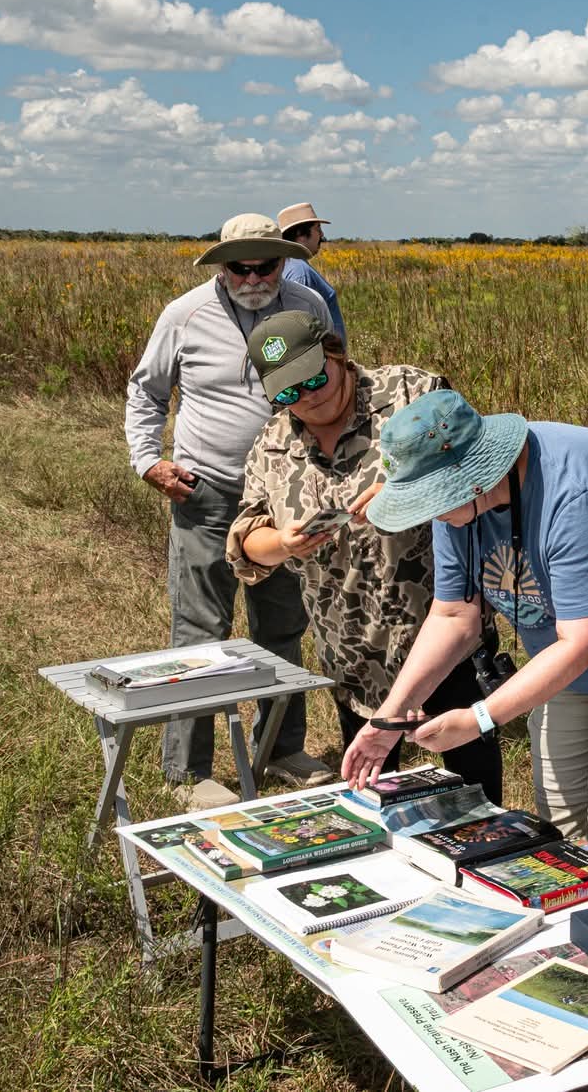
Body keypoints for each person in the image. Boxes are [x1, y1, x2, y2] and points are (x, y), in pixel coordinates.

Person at [341, 389, 588, 897]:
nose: (430, 516)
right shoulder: (457, 507)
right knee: (559, 810)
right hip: (564, 646)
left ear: (476, 477)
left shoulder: (579, 487)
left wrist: (481, 718)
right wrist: (388, 719)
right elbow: (454, 615)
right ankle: (576, 943)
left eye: (433, 502)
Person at [224, 311, 503, 803]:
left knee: (475, 791)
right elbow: (245, 541)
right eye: (288, 391)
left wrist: (405, 490)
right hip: (352, 650)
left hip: (441, 635)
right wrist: (283, 543)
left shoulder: (411, 392)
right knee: (372, 800)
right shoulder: (272, 443)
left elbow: (476, 471)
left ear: (336, 353)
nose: (307, 397)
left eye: (315, 377)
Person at [125, 213, 335, 804]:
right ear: (221, 265)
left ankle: (283, 750)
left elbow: (327, 385)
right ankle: (187, 774)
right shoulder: (184, 314)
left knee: (284, 626)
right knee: (199, 630)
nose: (250, 277)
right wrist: (149, 461)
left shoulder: (306, 307)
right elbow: (147, 390)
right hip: (205, 490)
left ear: (281, 260)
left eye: (262, 265)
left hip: (283, 494)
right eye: (237, 267)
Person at [278, 201, 344, 346]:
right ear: (300, 234)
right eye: (317, 228)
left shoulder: (290, 265)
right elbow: (298, 328)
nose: (322, 234)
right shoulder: (299, 271)